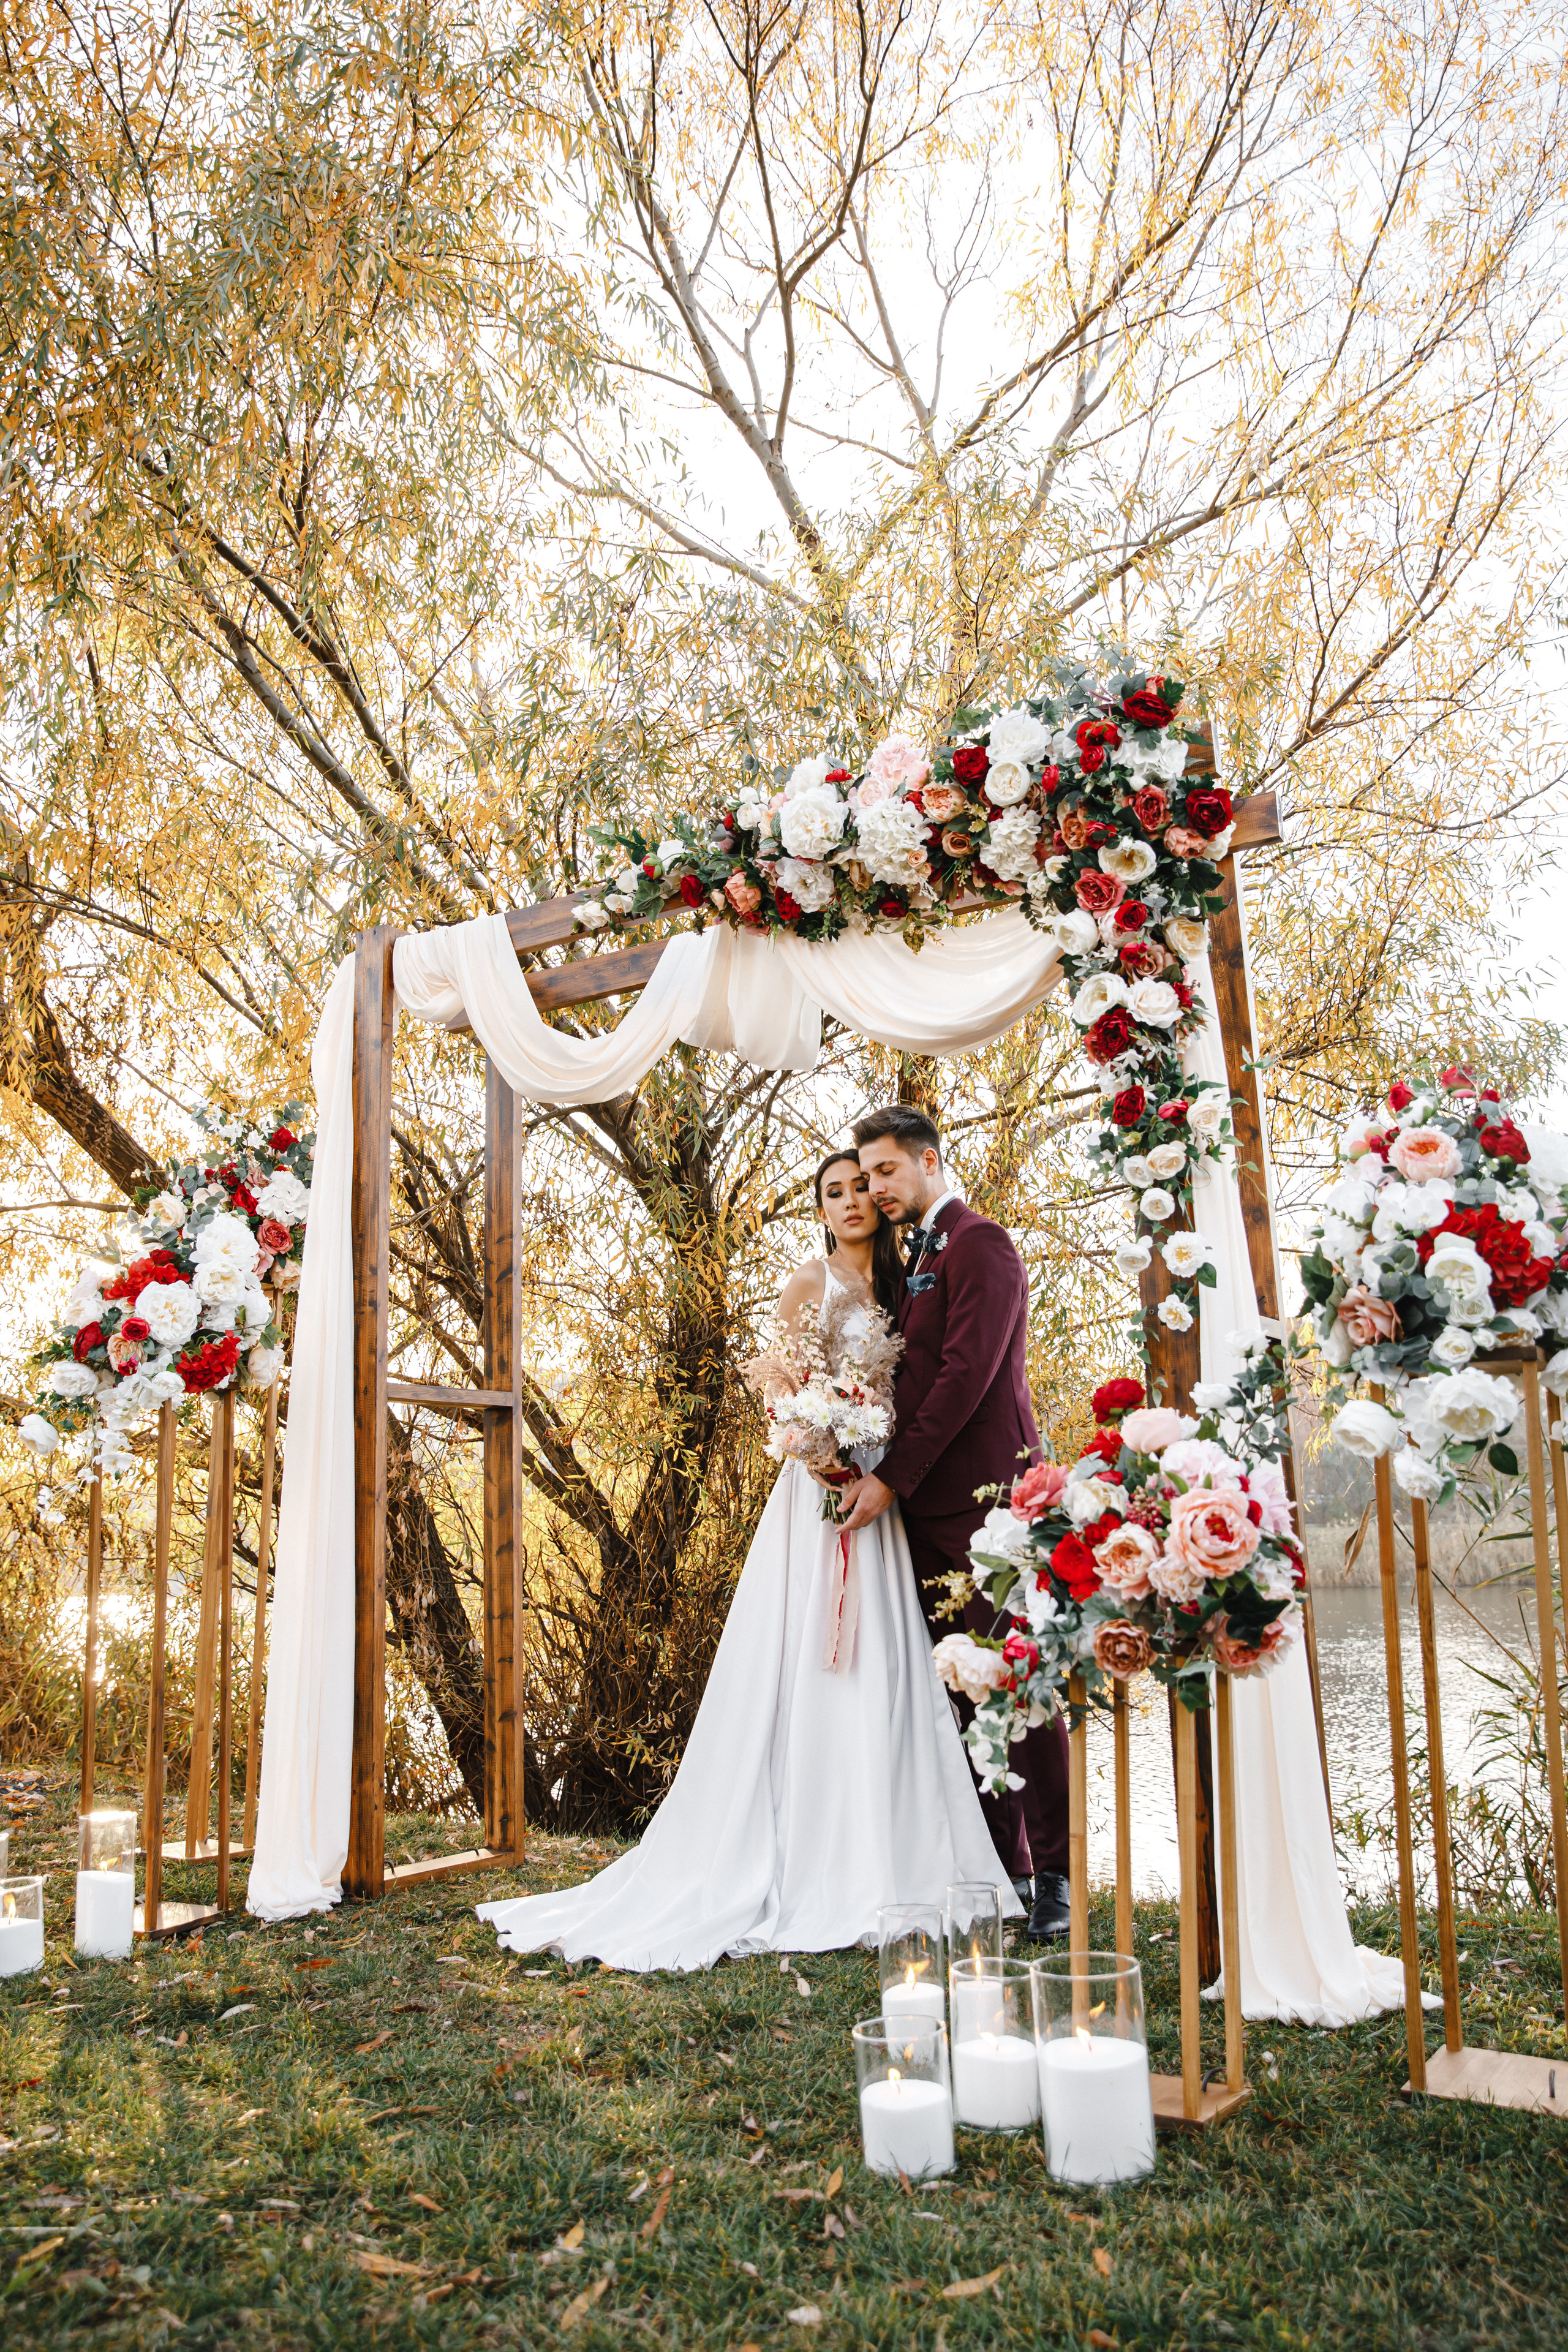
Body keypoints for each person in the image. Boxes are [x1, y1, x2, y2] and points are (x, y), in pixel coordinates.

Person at [473, 1148, 1019, 1969]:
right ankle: (801, 1844)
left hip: (883, 1489)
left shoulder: (907, 1285)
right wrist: (819, 1446)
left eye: (862, 1187)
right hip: (820, 1491)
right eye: (833, 1192)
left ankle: (888, 1845)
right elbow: (779, 1393)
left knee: (888, 1661)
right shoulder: (810, 1282)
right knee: (807, 1659)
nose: (852, 1201)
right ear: (820, 1209)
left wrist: (878, 1460)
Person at [838, 1104, 1071, 1942]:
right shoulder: (917, 1257)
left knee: (1018, 1681)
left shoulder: (982, 1245)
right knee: (963, 1689)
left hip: (988, 1507)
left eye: (887, 1171)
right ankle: (1003, 1866)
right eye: (868, 1176)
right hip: (928, 1515)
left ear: (930, 1161)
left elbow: (967, 1378)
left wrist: (889, 1480)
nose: (877, 1189)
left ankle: (1057, 1876)